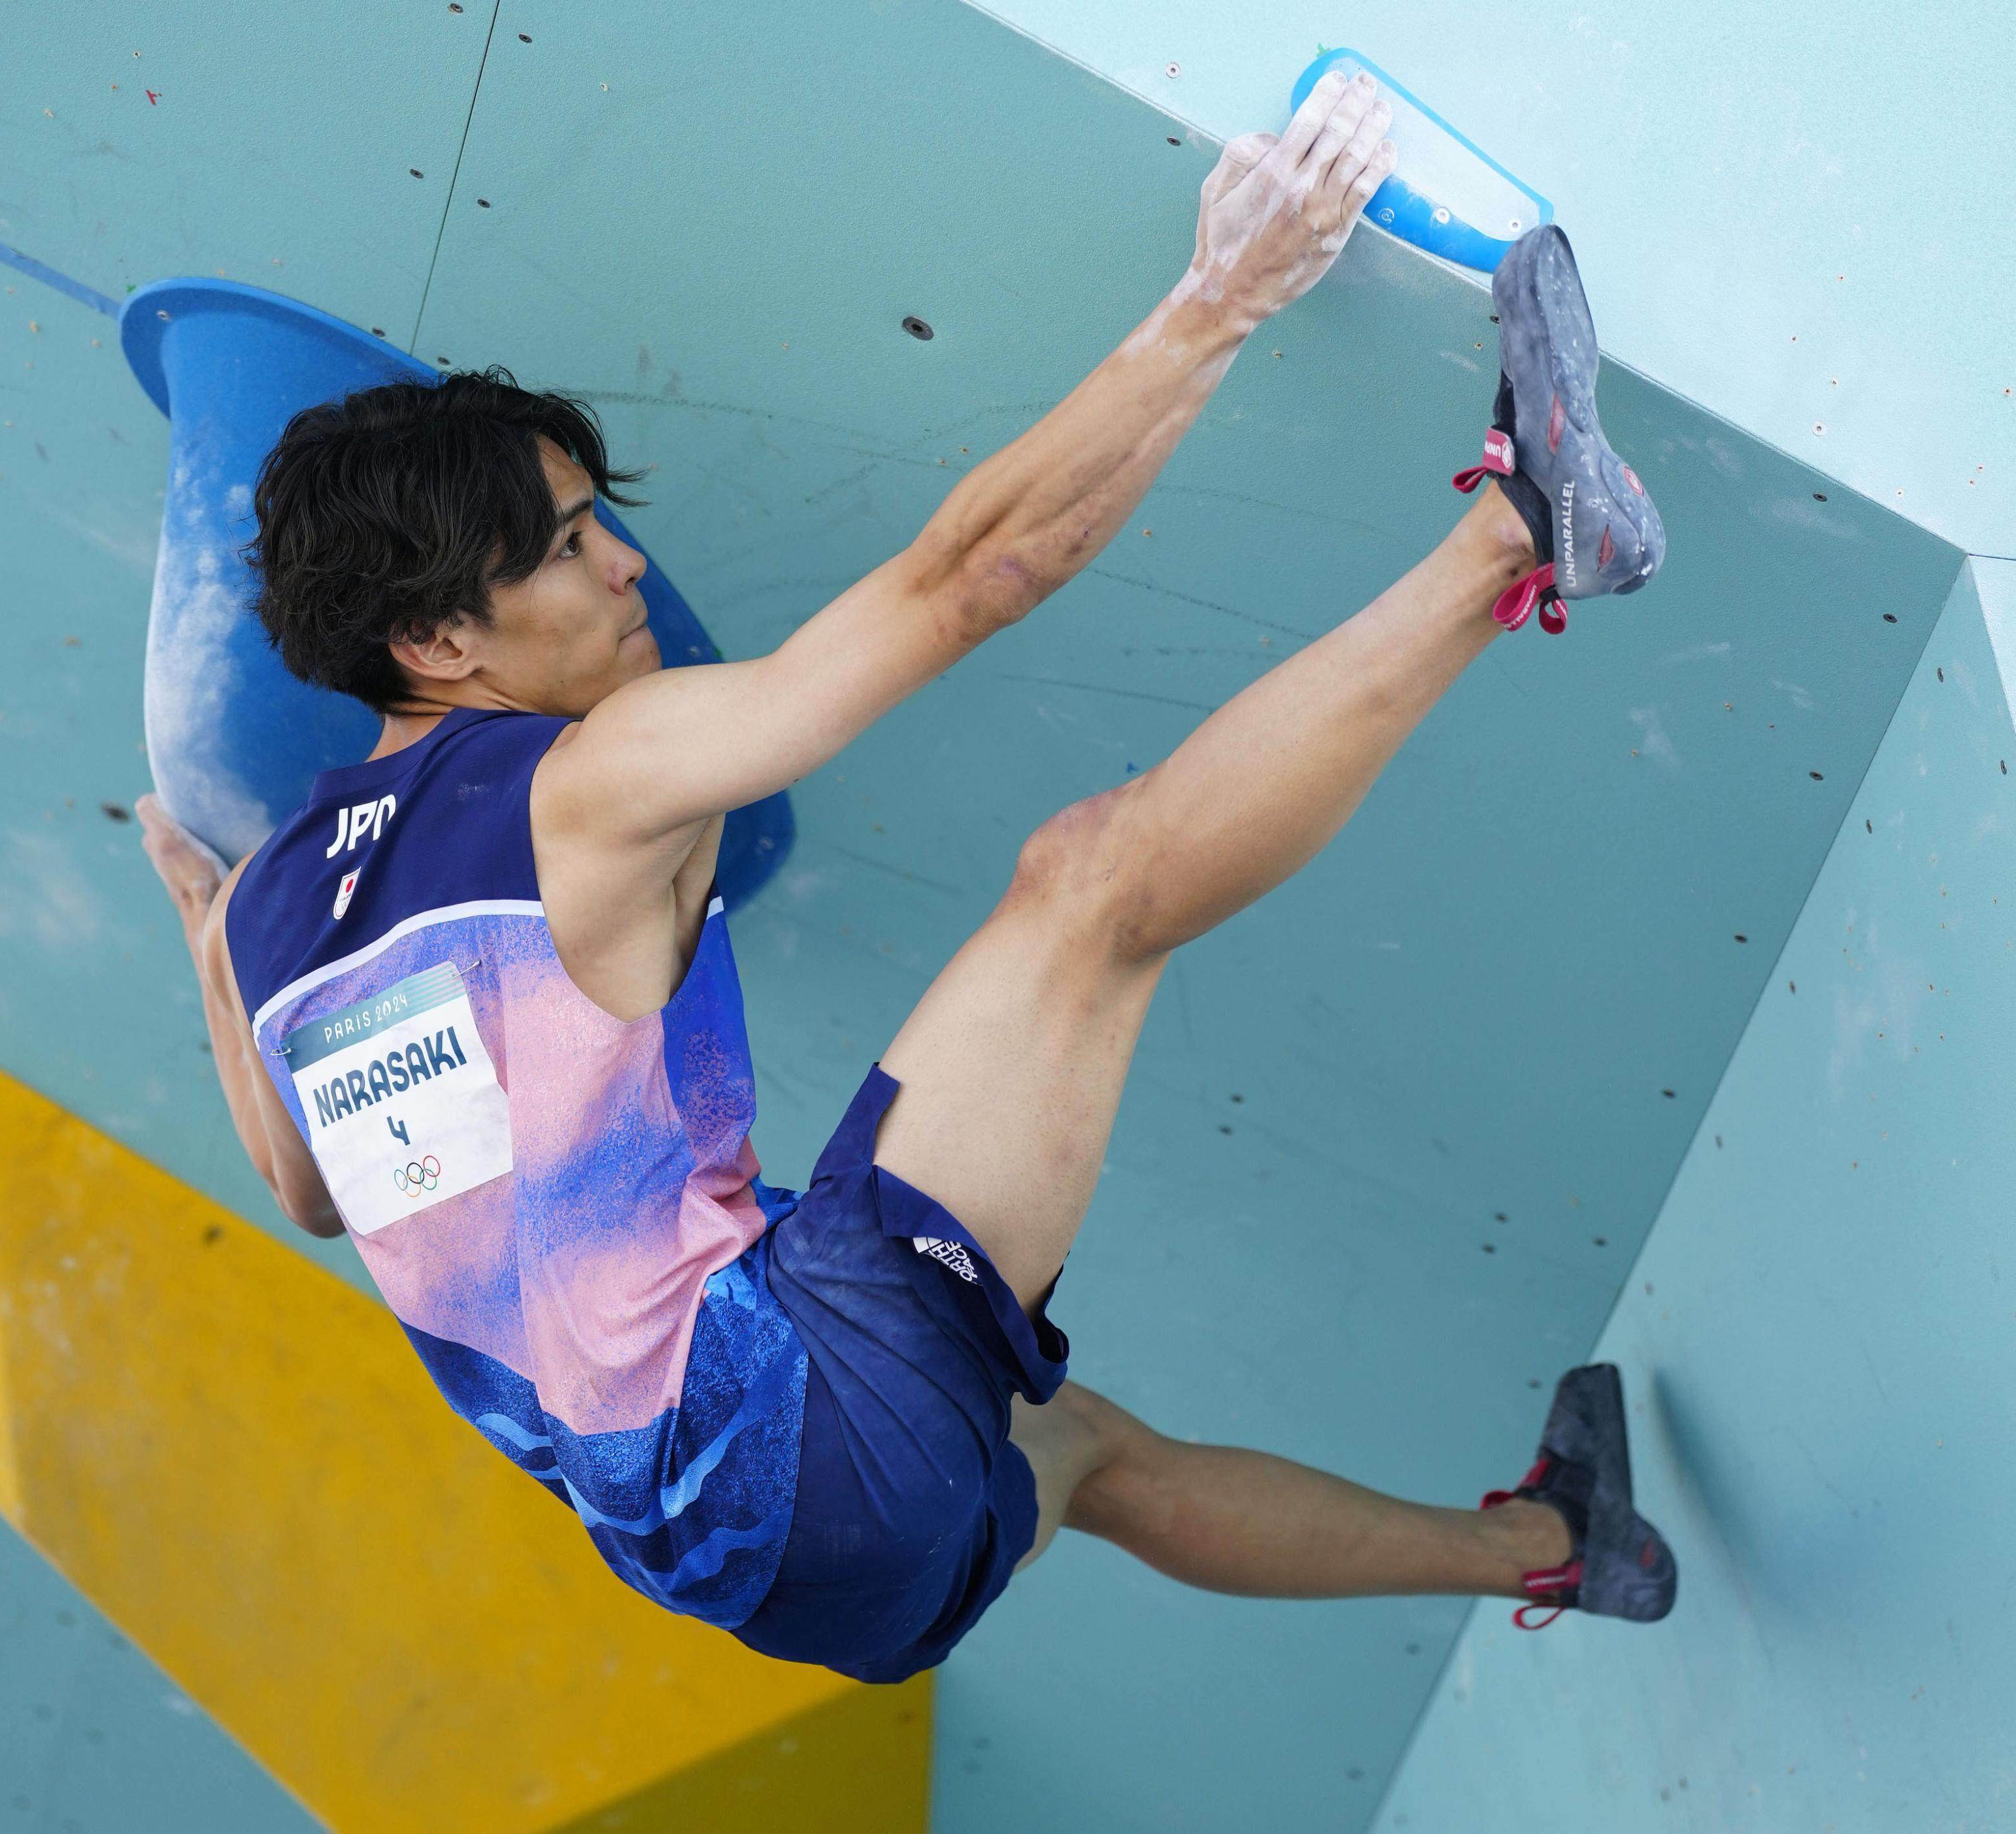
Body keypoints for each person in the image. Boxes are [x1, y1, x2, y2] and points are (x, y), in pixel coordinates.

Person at [140, 69, 1675, 1683]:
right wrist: (1228, 291)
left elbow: (314, 1190)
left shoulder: (269, 916)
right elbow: (970, 580)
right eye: (573, 541)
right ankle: (1526, 521)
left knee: (1086, 1454)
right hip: (798, 1426)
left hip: (768, 1578)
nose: (626, 564)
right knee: (1091, 888)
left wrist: (205, 938)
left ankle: (1570, 1545)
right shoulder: (581, 783)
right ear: (440, 641)